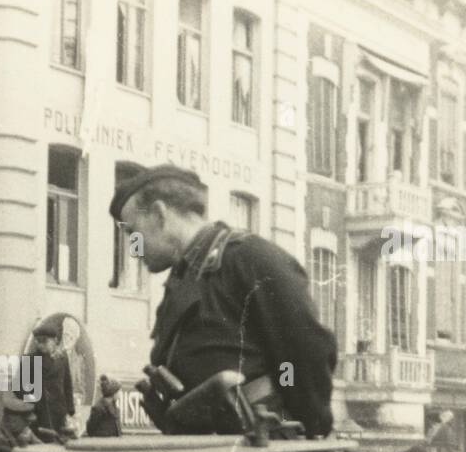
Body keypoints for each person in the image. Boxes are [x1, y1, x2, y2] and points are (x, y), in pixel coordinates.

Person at [108, 165, 337, 437]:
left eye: (132, 233)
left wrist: (301, 433)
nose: (132, 249)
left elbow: (305, 352)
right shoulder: (186, 278)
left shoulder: (250, 259)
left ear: (159, 215)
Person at [24, 319, 75, 440]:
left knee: (58, 447)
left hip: (58, 412)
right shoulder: (30, 360)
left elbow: (67, 384)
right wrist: (29, 412)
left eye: (44, 341)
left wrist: (70, 410)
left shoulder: (62, 358)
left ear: (55, 341)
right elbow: (23, 391)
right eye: (38, 342)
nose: (40, 345)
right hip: (39, 413)